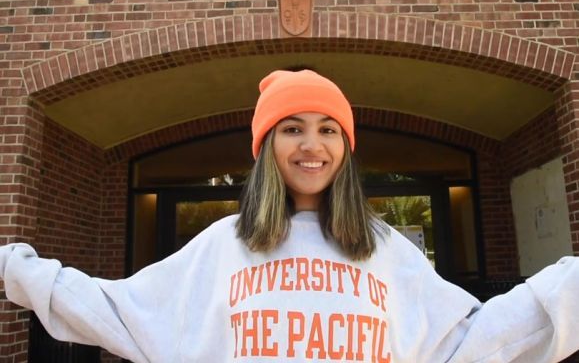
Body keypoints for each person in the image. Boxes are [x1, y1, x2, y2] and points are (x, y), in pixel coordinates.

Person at [1, 69, 578, 363]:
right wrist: (19, 272)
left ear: (346, 148)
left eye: (328, 129)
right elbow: (121, 312)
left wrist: (566, 287)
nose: (312, 145)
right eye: (292, 129)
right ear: (266, 145)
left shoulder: (384, 249)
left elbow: (465, 343)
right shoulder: (223, 243)